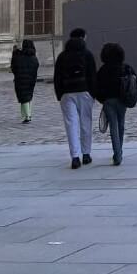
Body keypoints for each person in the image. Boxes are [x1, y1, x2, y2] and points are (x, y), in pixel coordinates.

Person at [54, 27, 96, 168]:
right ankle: (86, 154)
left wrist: (59, 94)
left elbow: (57, 77)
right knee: (86, 123)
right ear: (82, 37)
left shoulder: (62, 56)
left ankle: (75, 157)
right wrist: (93, 93)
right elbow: (92, 75)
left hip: (67, 92)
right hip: (84, 91)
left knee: (71, 125)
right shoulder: (87, 54)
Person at [91, 42, 131, 166]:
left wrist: (101, 99)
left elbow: (96, 87)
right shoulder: (125, 68)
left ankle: (117, 154)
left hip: (108, 101)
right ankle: (120, 151)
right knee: (121, 125)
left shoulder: (102, 70)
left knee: (113, 126)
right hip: (122, 100)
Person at [10, 39, 39, 124]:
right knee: (27, 96)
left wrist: (14, 53)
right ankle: (25, 115)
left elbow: (14, 67)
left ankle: (27, 116)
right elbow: (36, 66)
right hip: (31, 79)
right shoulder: (34, 57)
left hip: (20, 79)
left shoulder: (19, 56)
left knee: (23, 97)